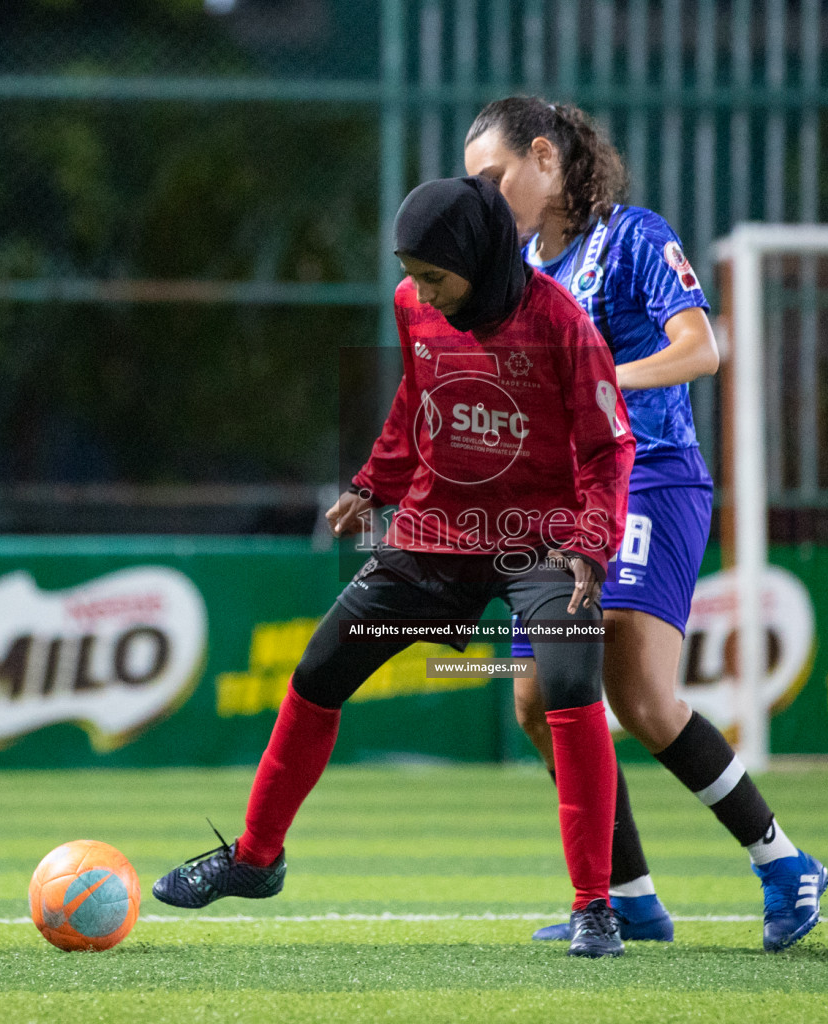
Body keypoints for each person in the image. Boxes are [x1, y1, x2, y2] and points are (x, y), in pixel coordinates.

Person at [151, 175, 638, 957]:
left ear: (479, 258)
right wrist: (371, 486)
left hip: (543, 539)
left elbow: (608, 446)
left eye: (432, 274)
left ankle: (595, 907)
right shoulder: (415, 309)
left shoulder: (562, 324)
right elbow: (415, 407)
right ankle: (255, 859)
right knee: (318, 671)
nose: (418, 289)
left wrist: (590, 540)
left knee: (573, 686)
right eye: (410, 272)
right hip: (434, 535)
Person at [464, 97, 828, 951]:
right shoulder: (513, 268)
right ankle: (630, 898)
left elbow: (703, 349)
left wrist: (600, 385)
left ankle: (783, 863)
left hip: (651, 475)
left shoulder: (633, 236)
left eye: (497, 175)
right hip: (564, 496)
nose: (486, 193)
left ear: (546, 158)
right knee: (534, 699)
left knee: (642, 693)